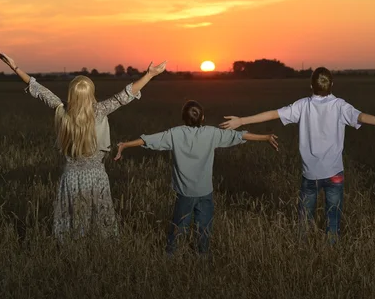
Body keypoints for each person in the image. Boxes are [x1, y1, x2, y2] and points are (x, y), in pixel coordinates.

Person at [219, 67, 375, 243]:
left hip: (309, 174)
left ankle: (303, 248)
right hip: (334, 173)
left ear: (311, 85)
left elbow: (273, 114)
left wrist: (242, 120)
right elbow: (361, 117)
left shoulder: (302, 105)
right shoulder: (340, 105)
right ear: (332, 84)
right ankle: (331, 249)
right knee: (333, 218)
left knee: (304, 219)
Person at [0, 49, 167, 240]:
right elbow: (125, 95)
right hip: (96, 176)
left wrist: (14, 67)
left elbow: (39, 90)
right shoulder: (100, 111)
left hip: (70, 177)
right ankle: (97, 251)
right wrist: (150, 74)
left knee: (73, 221)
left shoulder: (62, 110)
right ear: (90, 93)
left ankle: (72, 248)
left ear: (72, 94)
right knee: (99, 219)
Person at [114, 100, 278, 256]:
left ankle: (172, 255)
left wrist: (125, 145)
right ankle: (202, 255)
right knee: (204, 227)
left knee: (179, 226)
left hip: (185, 193)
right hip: (205, 191)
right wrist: (265, 137)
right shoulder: (211, 133)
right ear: (203, 118)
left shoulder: (175, 133)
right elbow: (240, 136)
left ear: (183, 118)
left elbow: (148, 139)